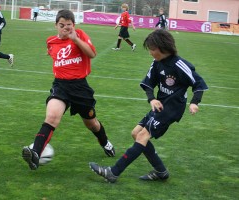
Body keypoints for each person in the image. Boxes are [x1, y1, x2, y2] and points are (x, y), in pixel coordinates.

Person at [89, 29, 208, 183]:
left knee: (142, 136)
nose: (150, 52)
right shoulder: (156, 63)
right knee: (136, 133)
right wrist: (152, 99)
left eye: (152, 49)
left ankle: (113, 172)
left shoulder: (180, 65)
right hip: (159, 106)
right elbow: (148, 84)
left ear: (162, 48)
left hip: (172, 108)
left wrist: (194, 102)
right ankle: (161, 171)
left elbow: (199, 83)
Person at [22, 9, 115, 171]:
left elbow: (92, 53)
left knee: (92, 123)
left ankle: (105, 142)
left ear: (74, 25)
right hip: (60, 86)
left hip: (80, 87)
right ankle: (35, 153)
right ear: (56, 25)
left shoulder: (79, 35)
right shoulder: (51, 41)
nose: (65, 28)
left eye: (69, 25)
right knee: (52, 116)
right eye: (62, 25)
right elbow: (51, 51)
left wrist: (76, 40)